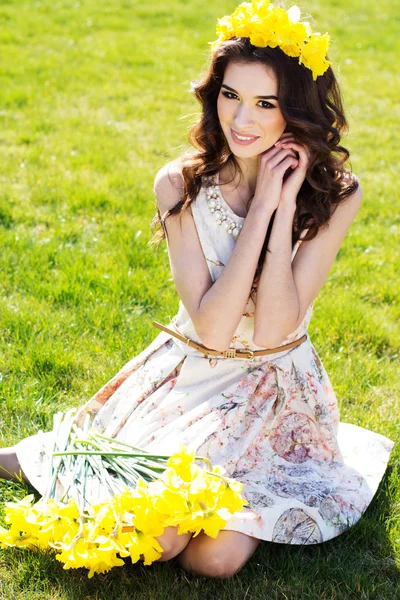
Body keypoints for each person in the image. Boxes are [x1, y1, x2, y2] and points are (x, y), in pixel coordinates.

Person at [0, 0, 395, 580]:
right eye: (231, 95)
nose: (243, 119)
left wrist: (284, 209)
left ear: (297, 113)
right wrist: (261, 206)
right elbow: (212, 329)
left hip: (276, 390)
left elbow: (273, 330)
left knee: (212, 561)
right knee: (156, 540)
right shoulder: (179, 183)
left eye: (267, 103)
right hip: (193, 376)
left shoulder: (338, 192)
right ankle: (37, 459)